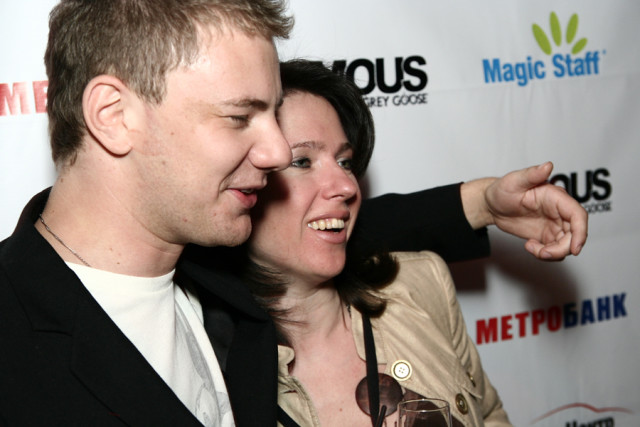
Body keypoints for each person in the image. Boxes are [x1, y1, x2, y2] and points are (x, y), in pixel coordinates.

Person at [0, 1, 586, 426]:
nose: (277, 152)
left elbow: (328, 236)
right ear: (114, 115)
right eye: (239, 117)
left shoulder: (219, 293)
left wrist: (479, 202)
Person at [231, 59, 516, 426]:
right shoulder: (208, 363)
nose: (347, 186)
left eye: (345, 161)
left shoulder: (418, 286)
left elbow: (488, 415)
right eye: (302, 161)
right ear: (242, 185)